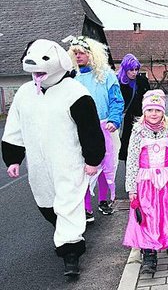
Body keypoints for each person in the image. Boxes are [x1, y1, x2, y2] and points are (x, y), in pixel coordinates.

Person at [2, 39, 105, 276]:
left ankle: (71, 254)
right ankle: (64, 234)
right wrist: (14, 158)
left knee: (68, 205)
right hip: (38, 165)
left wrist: (92, 160)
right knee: (46, 203)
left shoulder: (75, 93)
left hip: (68, 162)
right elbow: (14, 127)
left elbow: (89, 131)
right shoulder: (25, 94)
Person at [123, 90, 168, 274]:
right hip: (146, 183)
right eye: (150, 110)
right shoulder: (137, 132)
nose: (153, 114)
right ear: (144, 112)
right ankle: (149, 255)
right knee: (147, 218)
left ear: (163, 112)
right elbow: (132, 160)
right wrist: (131, 188)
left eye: (157, 110)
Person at [68, 36, 124, 222]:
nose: (78, 56)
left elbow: (116, 100)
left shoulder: (107, 75)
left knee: (105, 165)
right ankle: (85, 208)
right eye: (75, 53)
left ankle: (103, 200)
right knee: (83, 167)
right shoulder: (71, 78)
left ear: (92, 54)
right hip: (79, 128)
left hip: (104, 126)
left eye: (82, 53)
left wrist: (114, 121)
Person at [117, 53, 150, 163]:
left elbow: (149, 98)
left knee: (144, 148)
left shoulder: (142, 81)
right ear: (125, 69)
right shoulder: (119, 83)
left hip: (142, 119)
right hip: (127, 119)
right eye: (131, 70)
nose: (134, 72)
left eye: (136, 69)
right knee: (129, 149)